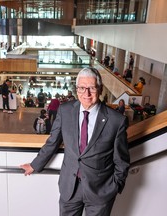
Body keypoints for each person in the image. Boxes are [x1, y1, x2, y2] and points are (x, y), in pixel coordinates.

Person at [20, 67, 130, 216]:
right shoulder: (65, 111)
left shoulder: (116, 120)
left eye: (91, 88)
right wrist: (35, 164)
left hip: (100, 191)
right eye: (82, 88)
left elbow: (122, 161)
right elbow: (53, 141)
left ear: (100, 88)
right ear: (76, 89)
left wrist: (115, 186)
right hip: (70, 188)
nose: (87, 94)